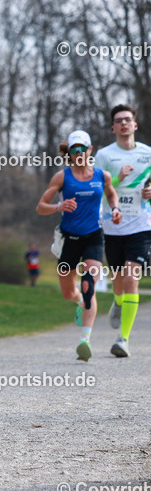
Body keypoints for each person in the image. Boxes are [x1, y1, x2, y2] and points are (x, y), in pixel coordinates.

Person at [36, 130, 122, 361]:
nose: (79, 153)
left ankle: (85, 340)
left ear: (90, 150)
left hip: (94, 236)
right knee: (69, 293)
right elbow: (40, 207)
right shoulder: (62, 177)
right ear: (70, 153)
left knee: (88, 284)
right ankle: (79, 302)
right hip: (69, 240)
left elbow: (111, 194)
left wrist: (115, 209)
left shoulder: (102, 175)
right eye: (74, 150)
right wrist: (59, 207)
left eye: (83, 149)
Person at [94, 104, 151, 357]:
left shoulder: (148, 154)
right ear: (113, 127)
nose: (124, 123)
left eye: (128, 119)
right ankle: (118, 302)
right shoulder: (105, 155)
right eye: (119, 120)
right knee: (118, 281)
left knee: (130, 278)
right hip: (114, 225)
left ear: (135, 125)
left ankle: (123, 339)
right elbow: (96, 189)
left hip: (142, 224)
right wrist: (117, 178)